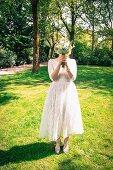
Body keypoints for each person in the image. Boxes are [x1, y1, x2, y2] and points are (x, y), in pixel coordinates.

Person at [39, 54, 84, 154]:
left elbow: (72, 78)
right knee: (56, 115)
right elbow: (53, 78)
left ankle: (66, 141)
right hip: (56, 91)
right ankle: (58, 142)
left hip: (68, 91)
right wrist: (59, 64)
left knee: (67, 115)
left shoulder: (72, 61)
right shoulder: (51, 61)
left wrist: (67, 66)